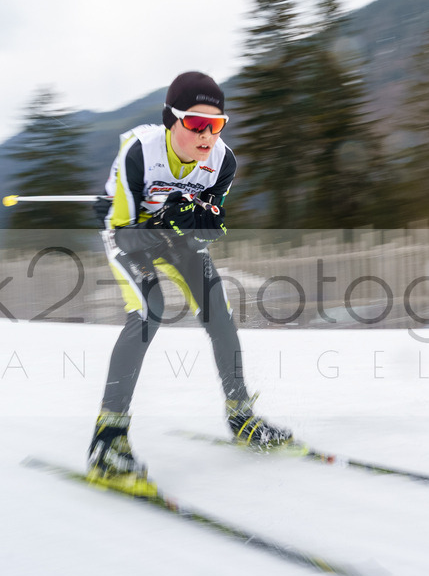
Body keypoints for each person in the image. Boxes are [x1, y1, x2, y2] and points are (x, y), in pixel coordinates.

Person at [87, 71, 292, 491]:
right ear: (171, 121)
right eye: (196, 124)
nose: (206, 136)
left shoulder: (223, 162)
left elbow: (208, 221)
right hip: (131, 235)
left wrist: (200, 221)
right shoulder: (138, 154)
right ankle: (107, 442)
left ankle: (241, 416)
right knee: (149, 311)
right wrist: (165, 221)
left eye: (215, 125)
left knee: (219, 312)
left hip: (172, 237)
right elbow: (122, 230)